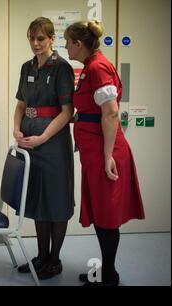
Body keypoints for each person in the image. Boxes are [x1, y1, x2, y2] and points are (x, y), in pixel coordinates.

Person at [64, 20, 145, 286]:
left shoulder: (97, 67)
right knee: (101, 212)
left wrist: (108, 155)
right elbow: (94, 109)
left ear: (79, 44)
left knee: (107, 216)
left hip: (104, 152)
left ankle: (109, 276)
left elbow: (110, 113)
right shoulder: (90, 66)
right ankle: (108, 272)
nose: (65, 47)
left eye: (67, 42)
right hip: (94, 150)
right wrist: (79, 120)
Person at [13, 17, 75, 280]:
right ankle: (40, 256)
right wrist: (17, 129)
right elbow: (20, 104)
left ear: (52, 39)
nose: (36, 44)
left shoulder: (62, 68)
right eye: (32, 38)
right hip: (29, 142)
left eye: (41, 39)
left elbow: (66, 112)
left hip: (53, 144)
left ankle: (54, 259)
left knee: (56, 200)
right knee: (38, 199)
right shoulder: (27, 67)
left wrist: (43, 137)